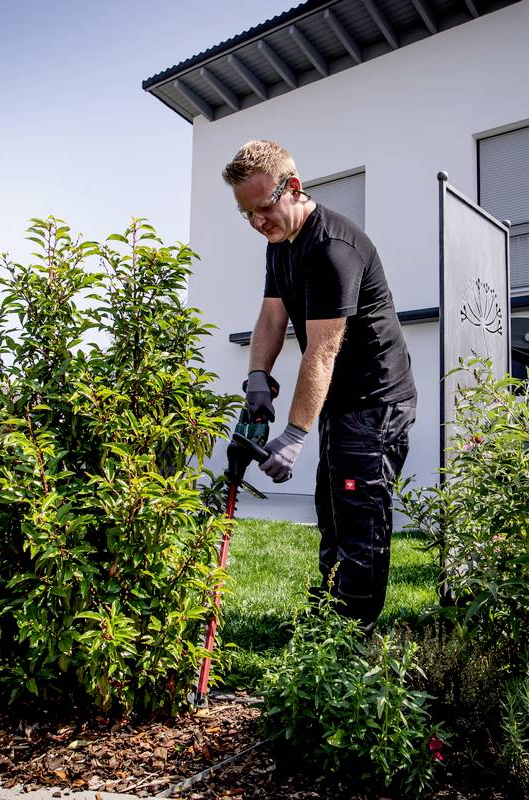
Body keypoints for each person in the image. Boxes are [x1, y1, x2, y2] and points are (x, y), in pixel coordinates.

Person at [221, 140, 416, 628]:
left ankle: (355, 636)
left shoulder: (332, 249)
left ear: (294, 188)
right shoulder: (280, 245)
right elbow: (271, 316)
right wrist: (257, 378)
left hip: (376, 401)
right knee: (332, 508)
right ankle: (331, 614)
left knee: (358, 511)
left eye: (263, 208)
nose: (257, 223)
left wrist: (294, 436)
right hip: (340, 399)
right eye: (246, 215)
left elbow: (321, 349)